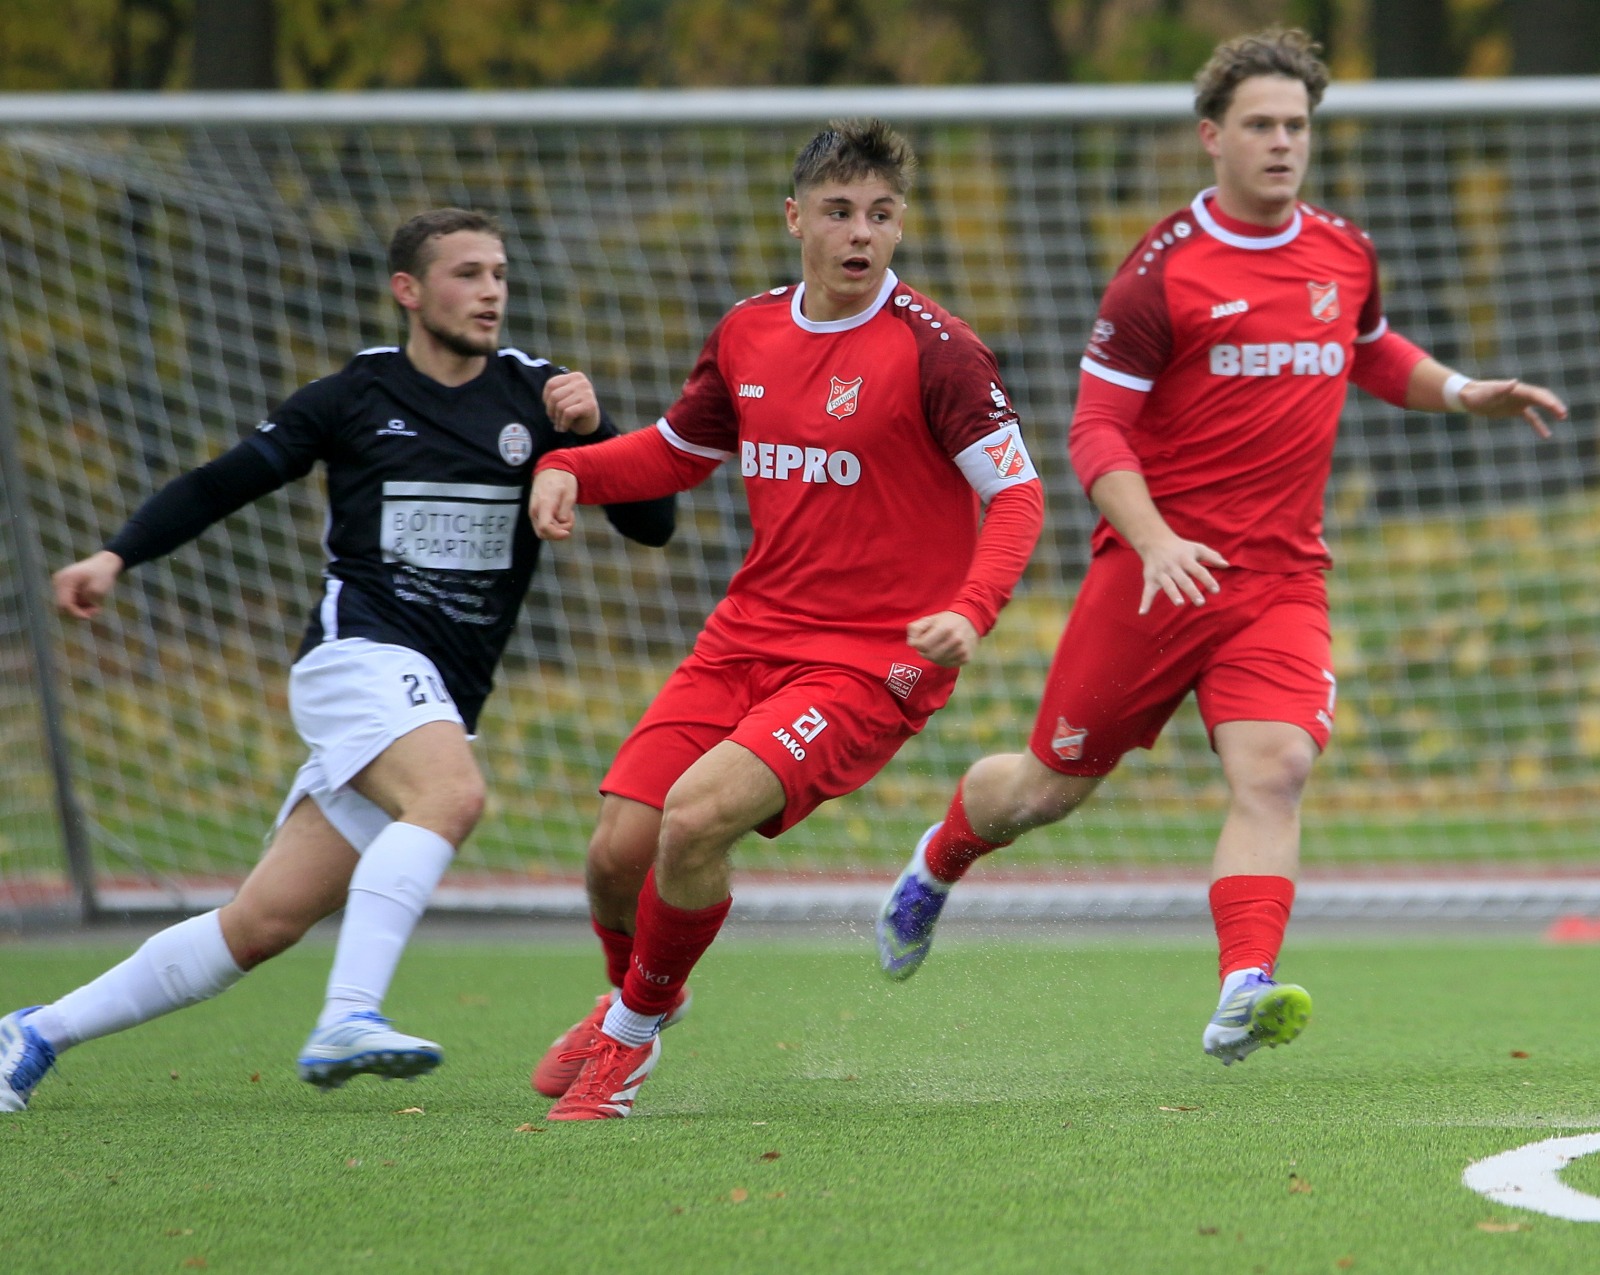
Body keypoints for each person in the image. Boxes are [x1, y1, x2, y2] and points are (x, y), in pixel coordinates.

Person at [875, 29, 1568, 1065]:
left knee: (1276, 766)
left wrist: (1464, 391)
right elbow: (1093, 431)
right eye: (1259, 125)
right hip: (1152, 578)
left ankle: (1242, 984)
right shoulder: (1160, 274)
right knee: (1043, 791)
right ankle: (938, 861)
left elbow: (1369, 349)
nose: (1282, 143)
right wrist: (1152, 540)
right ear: (1213, 138)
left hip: (1280, 582)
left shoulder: (1342, 249)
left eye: (1296, 125)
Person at [0, 208, 675, 1111]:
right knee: (454, 794)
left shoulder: (538, 397)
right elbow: (220, 481)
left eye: (500, 274)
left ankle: (34, 1031)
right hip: (356, 659)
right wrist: (115, 554)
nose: (490, 293)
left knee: (263, 921)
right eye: (467, 274)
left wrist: (597, 431)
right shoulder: (354, 396)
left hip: (430, 697)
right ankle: (349, 1012)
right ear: (409, 290)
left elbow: (655, 524)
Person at [526, 118, 1045, 1120]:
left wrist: (971, 611)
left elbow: (1018, 497)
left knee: (693, 818)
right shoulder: (748, 330)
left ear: (900, 229)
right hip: (745, 638)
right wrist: (568, 469)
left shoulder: (938, 354)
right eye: (841, 212)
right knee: (614, 856)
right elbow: (677, 453)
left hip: (868, 664)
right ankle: (634, 1000)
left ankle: (627, 1047)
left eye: (882, 215)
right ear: (794, 218)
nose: (861, 232)